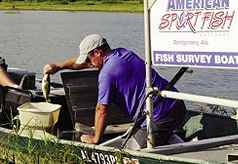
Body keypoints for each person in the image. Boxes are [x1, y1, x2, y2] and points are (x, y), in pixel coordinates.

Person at [44, 34, 186, 147]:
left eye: (89, 58)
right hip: (177, 105)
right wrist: (58, 66)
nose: (89, 64)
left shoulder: (106, 74)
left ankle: (170, 142)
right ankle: (168, 138)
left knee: (133, 148)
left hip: (159, 116)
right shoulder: (123, 53)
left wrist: (95, 138)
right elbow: (83, 63)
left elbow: (101, 109)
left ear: (98, 52)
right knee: (157, 133)